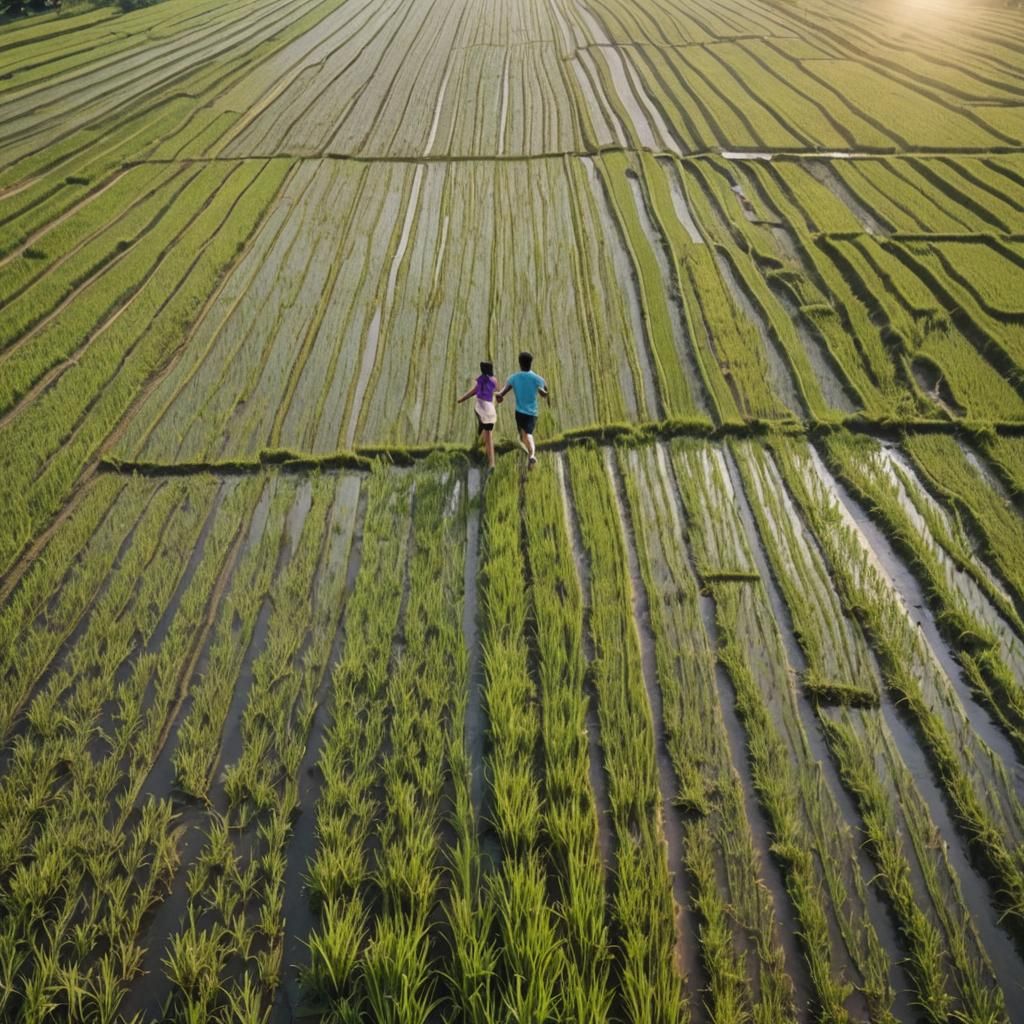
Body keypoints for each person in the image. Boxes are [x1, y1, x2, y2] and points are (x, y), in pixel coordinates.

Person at [496, 351, 548, 470]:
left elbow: (502, 393)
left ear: (520, 363)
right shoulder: (538, 378)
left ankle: (531, 454)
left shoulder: (513, 378)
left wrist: (497, 396)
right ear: (531, 363)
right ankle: (531, 454)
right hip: (532, 413)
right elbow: (545, 392)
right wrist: (543, 393)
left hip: (520, 412)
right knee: (526, 435)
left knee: (525, 435)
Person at [456, 361, 499, 470]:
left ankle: (490, 461)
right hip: (490, 409)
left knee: (487, 435)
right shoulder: (494, 380)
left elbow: (472, 392)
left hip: (481, 409)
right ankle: (491, 461)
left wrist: (461, 399)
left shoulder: (480, 380)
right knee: (488, 433)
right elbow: (496, 392)